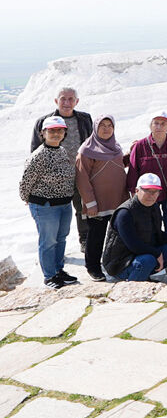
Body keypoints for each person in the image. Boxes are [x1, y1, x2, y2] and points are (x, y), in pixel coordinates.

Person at [31, 86, 93, 252]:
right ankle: (56, 250)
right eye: (63, 99)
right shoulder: (43, 121)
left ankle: (85, 241)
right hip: (55, 178)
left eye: (70, 99)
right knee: (57, 213)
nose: (66, 102)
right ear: (56, 100)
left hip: (80, 172)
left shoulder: (85, 119)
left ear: (76, 101)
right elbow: (35, 153)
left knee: (83, 208)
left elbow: (92, 144)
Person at [20, 115, 78, 289]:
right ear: (43, 133)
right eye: (51, 130)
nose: (56, 134)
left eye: (59, 130)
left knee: (61, 239)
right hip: (45, 206)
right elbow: (25, 182)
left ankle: (58, 270)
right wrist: (29, 200)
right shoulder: (38, 156)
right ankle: (49, 276)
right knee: (48, 241)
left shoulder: (61, 150)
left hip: (64, 205)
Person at [102, 174, 167, 282]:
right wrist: (157, 254)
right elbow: (133, 245)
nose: (151, 195)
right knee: (148, 260)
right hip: (121, 263)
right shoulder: (125, 213)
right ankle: (134, 284)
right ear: (137, 190)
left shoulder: (154, 207)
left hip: (143, 253)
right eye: (147, 190)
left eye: (155, 191)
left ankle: (144, 274)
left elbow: (157, 233)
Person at [75, 115, 128, 281]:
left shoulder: (115, 147)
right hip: (97, 203)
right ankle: (93, 267)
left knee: (116, 236)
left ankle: (114, 264)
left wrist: (130, 155)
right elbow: (82, 179)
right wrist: (90, 203)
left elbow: (117, 165)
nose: (106, 129)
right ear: (95, 128)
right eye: (102, 125)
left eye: (109, 125)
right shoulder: (86, 150)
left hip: (117, 199)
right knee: (96, 236)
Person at [127, 111, 167, 249]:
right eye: (156, 123)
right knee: (150, 223)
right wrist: (133, 191)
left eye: (163, 123)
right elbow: (133, 169)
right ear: (150, 126)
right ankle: (154, 253)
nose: (159, 126)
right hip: (148, 193)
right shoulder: (140, 145)